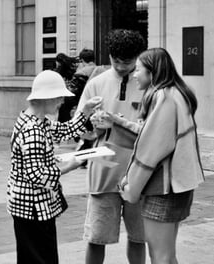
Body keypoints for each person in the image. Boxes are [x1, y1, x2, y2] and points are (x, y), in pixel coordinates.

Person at [117, 48, 205, 264]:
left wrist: (131, 188)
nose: (134, 74)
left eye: (138, 70)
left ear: (152, 72)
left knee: (160, 256)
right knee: (167, 255)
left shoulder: (163, 97)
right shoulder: (178, 93)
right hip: (178, 184)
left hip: (164, 187)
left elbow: (150, 150)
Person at [7, 70, 102, 264]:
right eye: (59, 97)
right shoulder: (33, 129)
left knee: (33, 257)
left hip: (28, 206)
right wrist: (70, 165)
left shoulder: (34, 121)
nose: (61, 102)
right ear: (46, 98)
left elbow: (66, 130)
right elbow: (37, 175)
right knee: (42, 258)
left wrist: (85, 111)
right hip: (33, 207)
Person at [77, 29, 146, 264]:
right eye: (115, 61)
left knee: (139, 236)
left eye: (127, 62)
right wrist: (93, 124)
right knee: (96, 236)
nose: (120, 67)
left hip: (139, 169)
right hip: (104, 167)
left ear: (139, 57)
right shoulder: (96, 84)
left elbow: (156, 128)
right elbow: (79, 127)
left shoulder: (149, 84)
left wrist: (119, 123)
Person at [54, 53, 79, 122]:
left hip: (62, 97)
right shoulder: (71, 71)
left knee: (62, 117)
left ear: (58, 62)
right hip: (71, 97)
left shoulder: (57, 73)